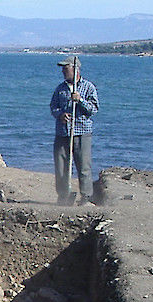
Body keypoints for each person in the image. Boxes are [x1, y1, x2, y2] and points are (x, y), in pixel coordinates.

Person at [50, 56, 99, 206]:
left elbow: (94, 109)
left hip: (81, 132)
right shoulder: (60, 88)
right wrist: (60, 115)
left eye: (66, 68)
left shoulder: (88, 87)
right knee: (61, 167)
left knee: (84, 166)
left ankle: (86, 196)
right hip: (63, 133)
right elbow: (53, 107)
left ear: (75, 69)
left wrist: (80, 101)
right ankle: (63, 195)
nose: (64, 71)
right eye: (63, 69)